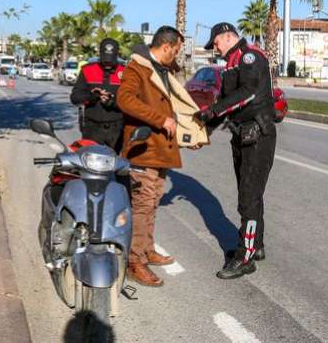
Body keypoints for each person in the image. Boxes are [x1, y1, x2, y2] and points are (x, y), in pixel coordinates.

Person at [117, 26, 207, 287]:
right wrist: (160, 120)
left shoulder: (162, 71)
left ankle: (146, 250)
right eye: (177, 50)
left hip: (160, 150)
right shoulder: (138, 68)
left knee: (152, 204)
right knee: (142, 206)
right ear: (166, 46)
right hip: (143, 149)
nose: (177, 56)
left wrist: (189, 136)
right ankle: (135, 262)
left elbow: (173, 110)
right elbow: (125, 99)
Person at [195, 22, 276, 279]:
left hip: (258, 135)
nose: (214, 47)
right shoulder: (230, 63)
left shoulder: (250, 56)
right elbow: (226, 104)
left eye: (216, 42)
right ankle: (256, 246)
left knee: (248, 198)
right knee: (249, 194)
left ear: (228, 37)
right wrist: (204, 129)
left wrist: (214, 111)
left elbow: (249, 93)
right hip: (241, 135)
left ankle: (245, 256)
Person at [70, 38, 125, 150]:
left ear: (117, 55)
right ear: (99, 54)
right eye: (105, 60)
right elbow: (75, 98)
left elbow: (132, 102)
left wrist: (112, 102)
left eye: (111, 60)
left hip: (117, 129)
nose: (107, 64)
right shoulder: (87, 70)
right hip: (92, 128)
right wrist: (92, 97)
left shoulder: (125, 72)